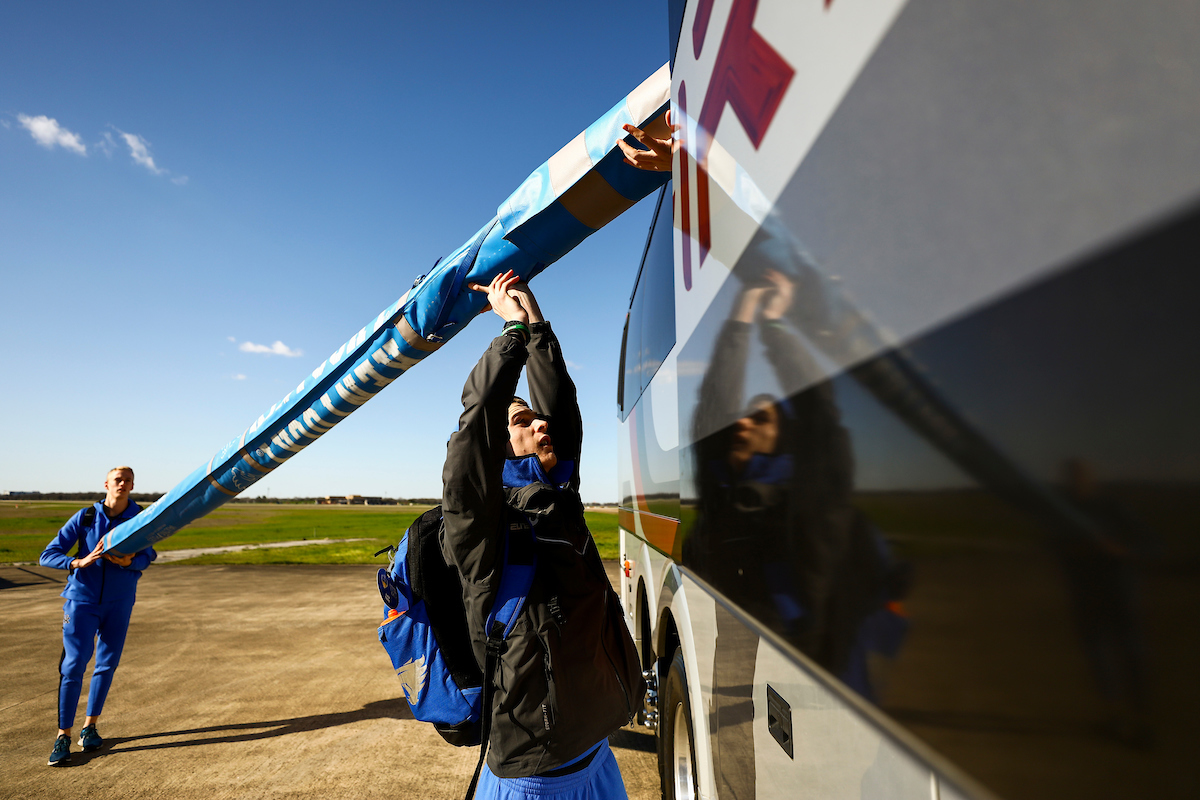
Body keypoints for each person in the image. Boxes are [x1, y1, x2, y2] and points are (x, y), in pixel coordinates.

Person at [441, 270, 645, 799]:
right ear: (500, 449)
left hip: (596, 760)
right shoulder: (481, 530)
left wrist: (535, 326)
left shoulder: (558, 499)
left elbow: (564, 414)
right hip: (533, 781)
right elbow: (473, 435)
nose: (539, 425)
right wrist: (509, 337)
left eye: (536, 417)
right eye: (521, 422)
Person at [38, 466, 156, 766]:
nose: (123, 484)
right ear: (107, 483)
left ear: (132, 485)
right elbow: (48, 554)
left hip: (119, 602)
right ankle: (62, 735)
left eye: (128, 480)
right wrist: (77, 561)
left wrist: (132, 560)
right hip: (81, 602)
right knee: (74, 664)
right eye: (118, 479)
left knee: (107, 665)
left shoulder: (140, 518)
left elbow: (149, 554)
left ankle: (89, 728)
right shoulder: (86, 517)